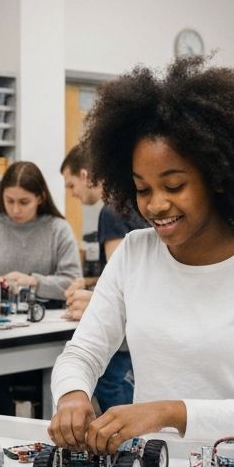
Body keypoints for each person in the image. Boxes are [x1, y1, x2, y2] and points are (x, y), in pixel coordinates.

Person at [48, 56, 234, 453]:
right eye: (142, 189)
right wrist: (72, 394)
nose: (155, 205)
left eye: (174, 186)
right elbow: (82, 353)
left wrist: (169, 413)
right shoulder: (134, 255)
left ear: (219, 177)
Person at [0, 161, 82, 415]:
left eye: (24, 202)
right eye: (9, 201)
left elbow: (73, 281)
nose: (15, 209)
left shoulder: (58, 229)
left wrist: (35, 282)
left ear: (40, 198)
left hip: (43, 338)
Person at [60, 144, 146, 412]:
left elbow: (121, 276)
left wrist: (95, 299)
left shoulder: (111, 210)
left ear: (86, 176)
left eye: (71, 185)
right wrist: (88, 283)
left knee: (110, 387)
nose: (72, 193)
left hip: (127, 329)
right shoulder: (135, 202)